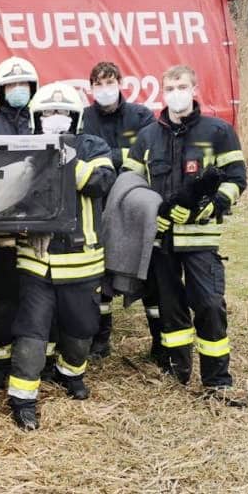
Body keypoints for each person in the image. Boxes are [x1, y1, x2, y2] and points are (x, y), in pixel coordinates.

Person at [123, 65, 248, 407]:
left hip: (200, 239)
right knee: (170, 308)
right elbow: (130, 186)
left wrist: (209, 206)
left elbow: (236, 179)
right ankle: (178, 372)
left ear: (194, 88)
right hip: (161, 242)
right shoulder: (147, 137)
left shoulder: (218, 132)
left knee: (208, 305)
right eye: (170, 87)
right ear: (162, 92)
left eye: (181, 86)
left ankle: (217, 380)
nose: (175, 92)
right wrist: (153, 214)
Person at [7, 82, 116, 430]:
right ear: (37, 118)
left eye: (64, 113)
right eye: (49, 114)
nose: (56, 119)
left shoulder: (92, 145)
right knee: (32, 333)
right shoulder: (25, 147)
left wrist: (66, 161)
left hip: (82, 261)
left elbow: (103, 182)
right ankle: (23, 400)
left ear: (76, 117)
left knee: (81, 332)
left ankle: (70, 374)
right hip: (37, 261)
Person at [81, 61, 155, 361]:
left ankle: (162, 341)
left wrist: (106, 157)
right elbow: (81, 154)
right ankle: (100, 338)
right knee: (100, 274)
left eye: (109, 82)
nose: (105, 89)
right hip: (96, 203)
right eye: (98, 84)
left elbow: (151, 152)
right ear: (91, 88)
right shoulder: (84, 119)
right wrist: (122, 154)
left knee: (148, 269)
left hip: (133, 204)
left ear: (120, 83)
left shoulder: (141, 115)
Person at [0, 57, 40, 389]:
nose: (17, 91)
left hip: (37, 228)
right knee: (3, 301)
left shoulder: (42, 119)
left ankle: (35, 362)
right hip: (2, 230)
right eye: (10, 86)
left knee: (35, 300)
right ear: (0, 91)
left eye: (23, 86)